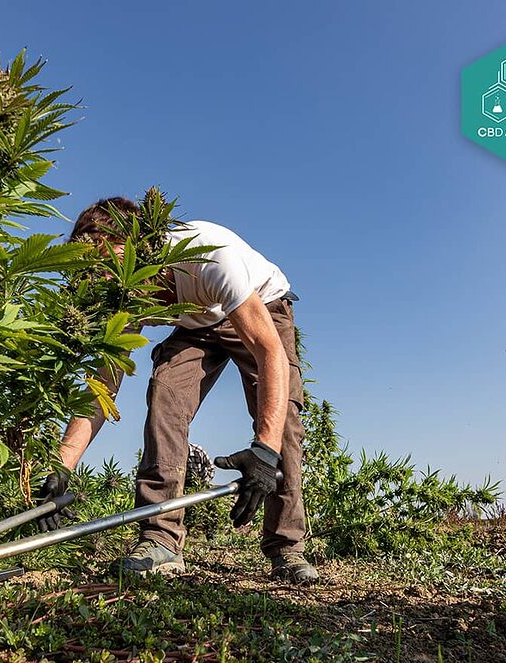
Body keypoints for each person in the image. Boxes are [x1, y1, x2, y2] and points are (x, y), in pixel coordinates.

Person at [37, 197, 318, 584]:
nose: (104, 281)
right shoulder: (126, 292)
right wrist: (61, 467)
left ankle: (286, 547)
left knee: (280, 418)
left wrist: (264, 452)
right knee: (165, 392)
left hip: (261, 308)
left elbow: (270, 353)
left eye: (109, 263)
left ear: (144, 247)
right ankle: (160, 540)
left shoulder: (211, 258)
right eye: (93, 271)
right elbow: (104, 383)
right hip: (196, 323)